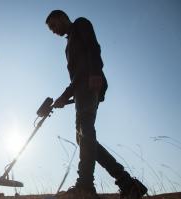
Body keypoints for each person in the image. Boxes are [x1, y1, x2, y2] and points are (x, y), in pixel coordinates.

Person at [46, 10, 148, 199]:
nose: (53, 31)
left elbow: (94, 48)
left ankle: (85, 185)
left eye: (53, 25)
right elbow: (76, 76)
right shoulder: (67, 45)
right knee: (84, 139)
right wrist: (65, 97)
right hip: (80, 91)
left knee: (86, 133)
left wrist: (95, 73)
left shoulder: (81, 24)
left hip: (90, 85)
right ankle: (128, 183)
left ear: (61, 17)